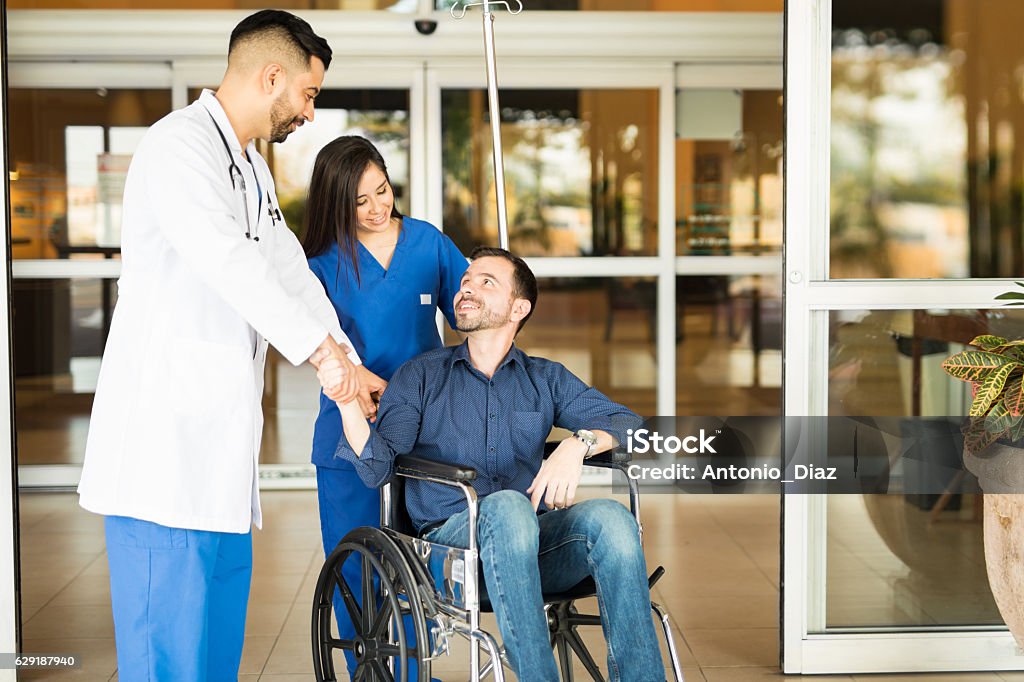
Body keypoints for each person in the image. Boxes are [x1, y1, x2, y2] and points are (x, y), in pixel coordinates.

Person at [77, 10, 367, 680]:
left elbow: (287, 270)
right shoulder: (176, 147)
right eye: (308, 94)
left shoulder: (252, 171)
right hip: (163, 462)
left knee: (212, 661)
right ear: (272, 76)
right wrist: (325, 362)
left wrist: (348, 363)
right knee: (165, 663)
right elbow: (229, 262)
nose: (309, 113)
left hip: (219, 468)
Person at [319, 247, 666, 682]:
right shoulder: (421, 375)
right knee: (506, 506)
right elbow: (377, 469)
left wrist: (578, 444)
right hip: (448, 557)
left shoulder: (545, 378)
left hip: (532, 549)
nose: (467, 288)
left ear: (518, 308)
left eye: (487, 282)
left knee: (611, 519)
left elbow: (630, 423)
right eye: (467, 280)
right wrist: (347, 404)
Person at [302, 135, 467, 677]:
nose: (378, 209)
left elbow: (466, 310)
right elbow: (312, 346)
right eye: (361, 201)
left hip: (425, 434)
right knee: (355, 569)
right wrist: (352, 379)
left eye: (383, 191)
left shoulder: (426, 244)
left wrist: (495, 301)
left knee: (421, 571)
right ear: (335, 202)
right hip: (349, 433)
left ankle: (416, 671)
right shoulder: (320, 266)